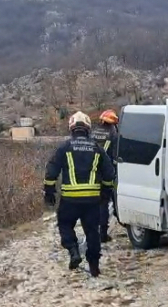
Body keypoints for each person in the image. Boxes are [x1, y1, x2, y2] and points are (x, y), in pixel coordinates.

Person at [44, 112, 116, 277]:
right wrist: (105, 192)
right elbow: (109, 173)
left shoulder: (64, 147)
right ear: (88, 129)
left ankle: (73, 251)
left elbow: (51, 171)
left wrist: (49, 191)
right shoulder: (96, 148)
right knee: (92, 231)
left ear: (71, 128)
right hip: (92, 200)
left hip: (70, 199)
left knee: (65, 224)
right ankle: (94, 267)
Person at [92, 109, 120, 242]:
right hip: (106, 172)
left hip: (92, 172)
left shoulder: (94, 132)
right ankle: (103, 233)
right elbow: (115, 155)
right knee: (109, 199)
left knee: (98, 203)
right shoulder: (113, 134)